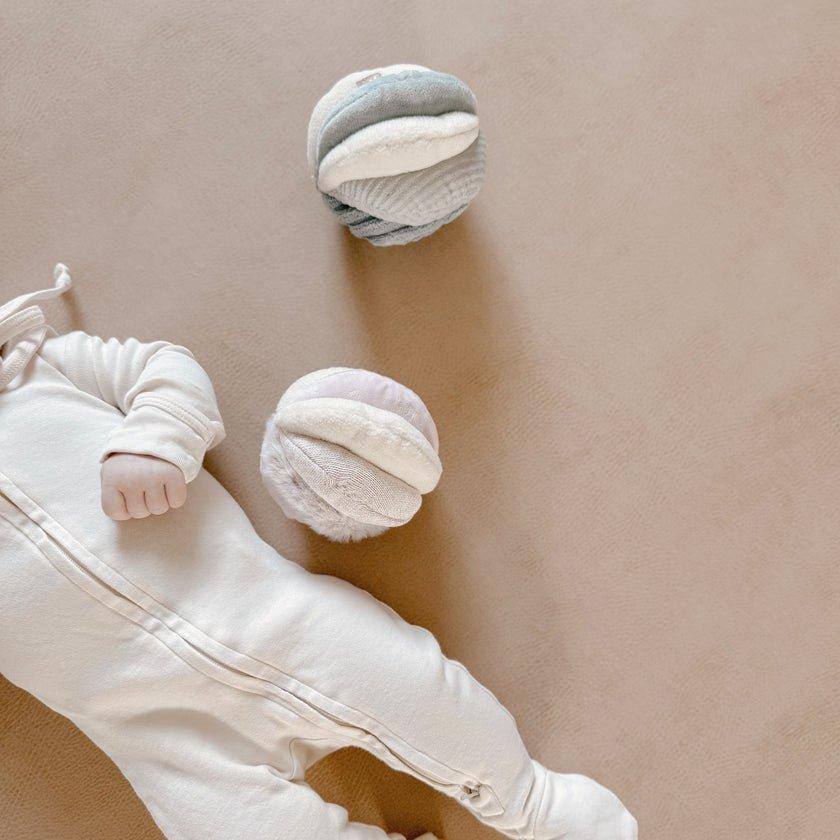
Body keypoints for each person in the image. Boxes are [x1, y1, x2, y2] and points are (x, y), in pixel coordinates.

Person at [0, 265, 636, 840]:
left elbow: (165, 369)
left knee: (411, 685)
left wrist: (154, 441)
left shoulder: (40, 367)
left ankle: (532, 801)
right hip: (153, 729)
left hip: (270, 618)